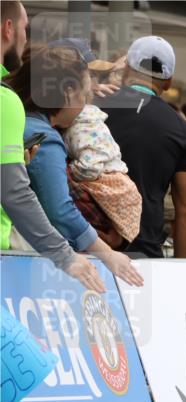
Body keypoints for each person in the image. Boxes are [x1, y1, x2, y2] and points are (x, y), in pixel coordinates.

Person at [9, 45, 142, 286]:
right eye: (85, 95)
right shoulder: (44, 139)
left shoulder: (15, 117)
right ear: (68, 92)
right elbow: (59, 209)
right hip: (16, 261)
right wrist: (107, 254)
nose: (84, 106)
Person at [0, 0, 105, 293]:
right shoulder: (7, 102)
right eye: (25, 28)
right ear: (8, 28)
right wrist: (66, 255)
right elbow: (16, 193)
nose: (26, 39)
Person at [100, 35, 186, 258]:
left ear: (127, 69)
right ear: (168, 82)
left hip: (86, 243)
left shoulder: (92, 109)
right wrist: (182, 268)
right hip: (142, 252)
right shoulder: (183, 132)